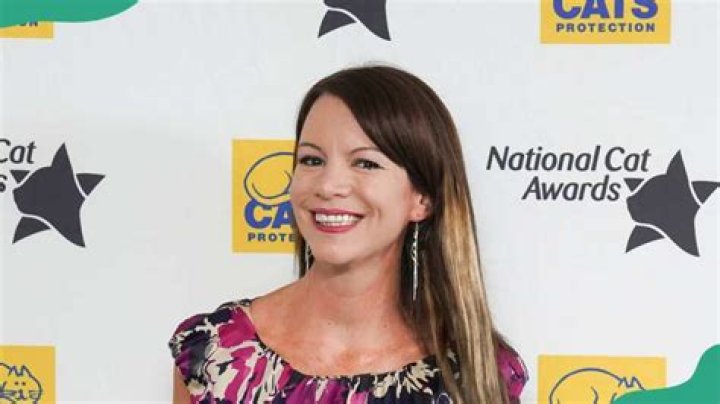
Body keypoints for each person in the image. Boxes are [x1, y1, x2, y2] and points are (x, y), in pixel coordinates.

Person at [169, 65, 528, 403]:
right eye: (312, 160)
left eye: (365, 163)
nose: (328, 185)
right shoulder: (214, 355)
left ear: (422, 199)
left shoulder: (476, 372)